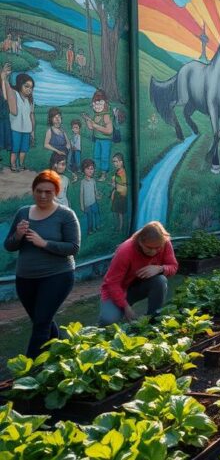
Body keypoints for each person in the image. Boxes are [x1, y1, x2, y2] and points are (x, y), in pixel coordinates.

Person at [4, 170, 80, 357]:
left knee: (41, 324)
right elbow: (9, 245)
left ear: (56, 192)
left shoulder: (66, 215)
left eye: (48, 191)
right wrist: (18, 236)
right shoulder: (23, 213)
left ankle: (29, 374)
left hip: (58, 276)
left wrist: (44, 243)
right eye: (39, 191)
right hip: (26, 278)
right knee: (42, 321)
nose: (43, 195)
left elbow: (73, 247)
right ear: (33, 191)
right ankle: (65, 353)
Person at [98, 222, 178, 326]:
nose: (154, 251)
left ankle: (153, 320)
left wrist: (160, 269)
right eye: (149, 248)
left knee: (160, 281)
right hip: (119, 289)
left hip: (141, 285)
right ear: (140, 242)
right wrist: (126, 307)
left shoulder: (164, 242)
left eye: (158, 248)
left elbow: (173, 266)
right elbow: (112, 283)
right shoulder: (125, 250)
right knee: (108, 321)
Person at [3, 65, 34, 173]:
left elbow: (31, 115)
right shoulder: (14, 94)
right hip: (15, 128)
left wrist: (32, 131)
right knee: (15, 148)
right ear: (20, 85)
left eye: (31, 87)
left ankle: (21, 164)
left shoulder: (29, 100)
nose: (29, 89)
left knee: (24, 149)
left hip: (26, 129)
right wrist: (5, 77)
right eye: (27, 86)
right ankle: (12, 164)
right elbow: (6, 89)